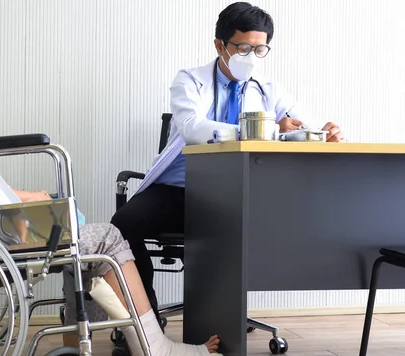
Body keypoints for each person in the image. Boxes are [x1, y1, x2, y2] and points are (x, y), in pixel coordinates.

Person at [0, 28, 221, 356]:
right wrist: (27, 207)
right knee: (107, 238)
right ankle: (155, 347)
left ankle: (96, 338)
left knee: (79, 238)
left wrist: (30, 197)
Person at [110, 2, 345, 354]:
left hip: (235, 195)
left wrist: (323, 132)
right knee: (123, 224)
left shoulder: (270, 89)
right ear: (220, 45)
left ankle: (224, 315)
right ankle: (146, 318)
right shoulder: (189, 80)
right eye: (243, 47)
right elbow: (193, 129)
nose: (252, 55)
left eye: (260, 48)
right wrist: (259, 130)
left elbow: (302, 128)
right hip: (180, 189)